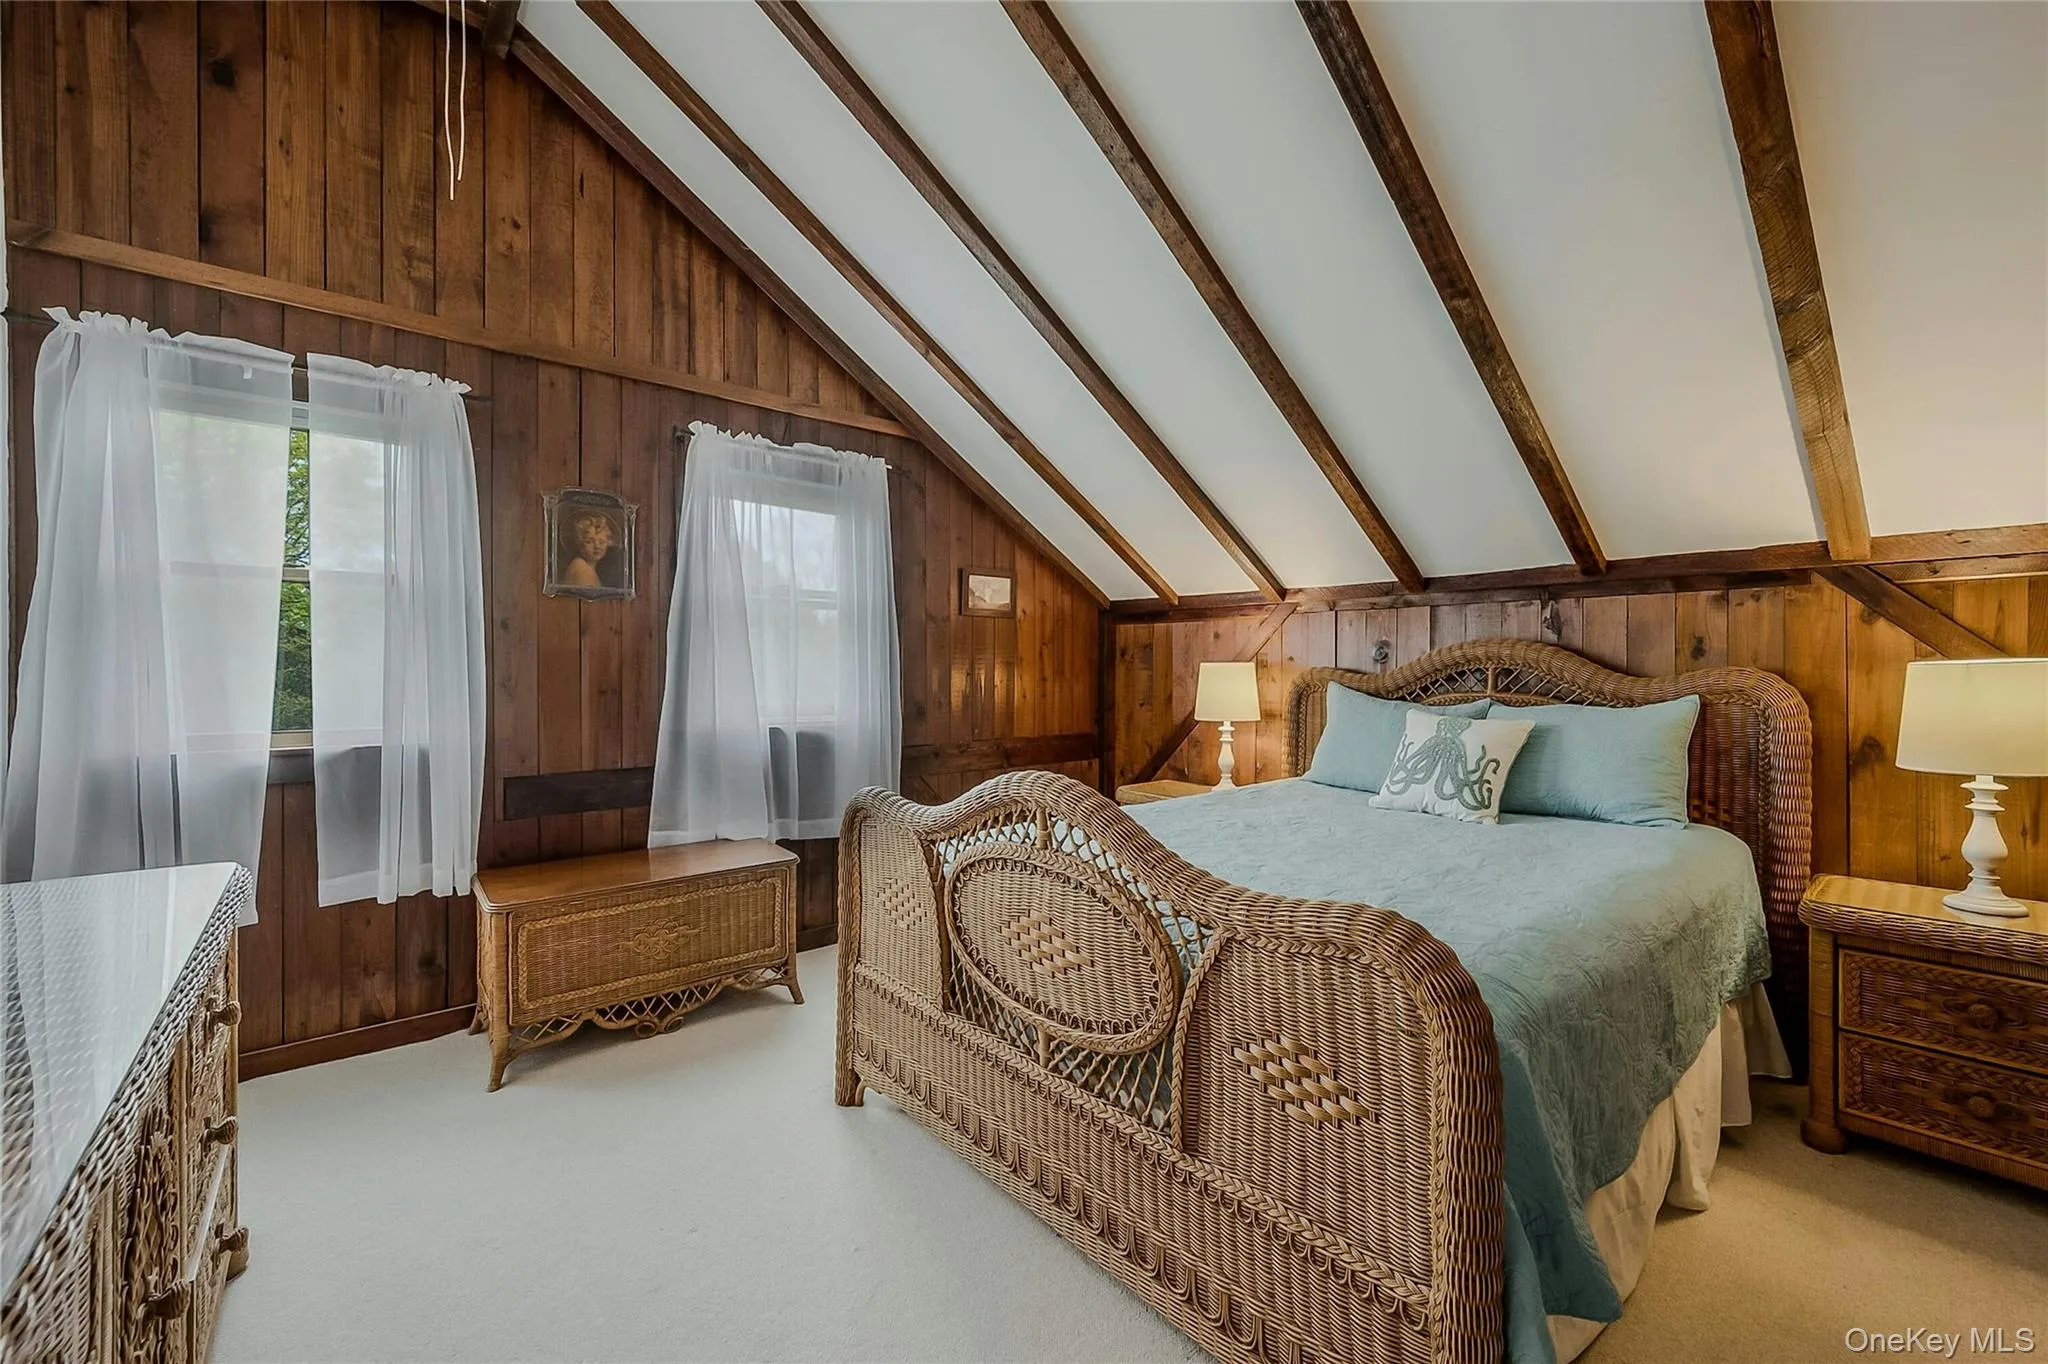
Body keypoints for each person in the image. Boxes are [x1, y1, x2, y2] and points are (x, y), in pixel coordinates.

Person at [560, 509, 613, 589]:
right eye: (589, 542)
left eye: (602, 542)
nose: (597, 546)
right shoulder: (580, 566)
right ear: (580, 544)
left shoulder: (589, 568)